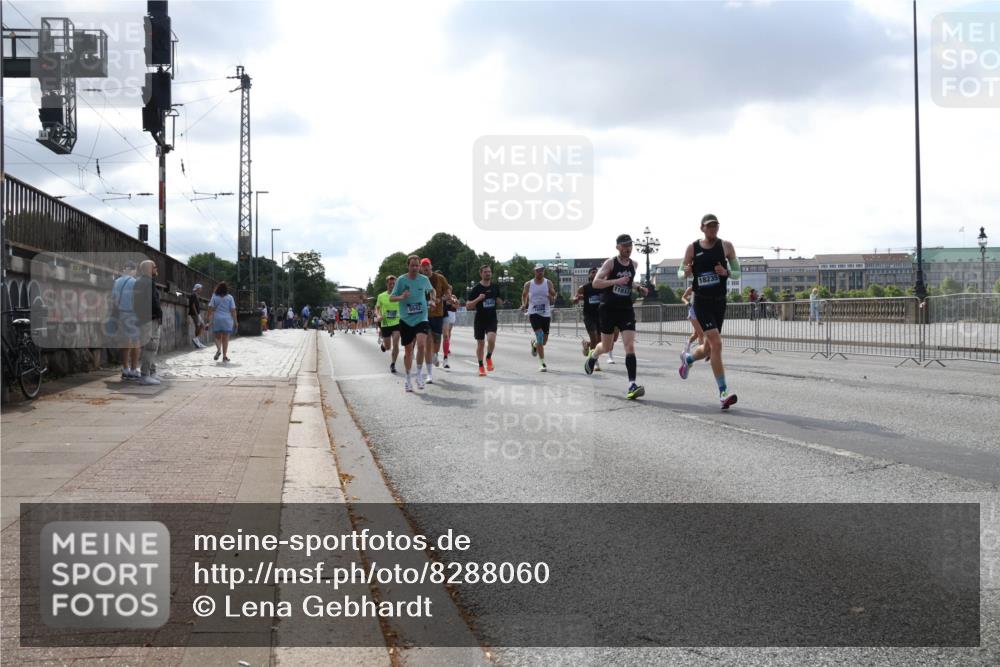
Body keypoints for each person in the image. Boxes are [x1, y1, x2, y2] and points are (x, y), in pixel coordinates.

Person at [677, 213, 741, 410]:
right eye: (709, 226)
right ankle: (723, 393)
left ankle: (687, 359)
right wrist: (685, 272)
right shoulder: (692, 248)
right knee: (716, 343)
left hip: (719, 302)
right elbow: (680, 272)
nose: (713, 229)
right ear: (702, 228)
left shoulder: (726, 246)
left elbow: (738, 272)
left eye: (715, 226)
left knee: (707, 348)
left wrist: (727, 272)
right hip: (702, 303)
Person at [584, 234, 649, 399]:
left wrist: (638, 287)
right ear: (618, 247)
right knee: (607, 347)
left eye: (630, 245)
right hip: (608, 308)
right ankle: (593, 355)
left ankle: (632, 385)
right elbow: (596, 283)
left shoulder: (634, 264)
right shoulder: (610, 263)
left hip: (625, 308)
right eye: (624, 245)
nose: (628, 248)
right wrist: (615, 281)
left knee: (630, 346)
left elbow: (628, 281)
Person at [390, 255, 436, 391]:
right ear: (408, 266)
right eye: (413, 265)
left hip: (421, 317)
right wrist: (401, 297)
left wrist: (432, 299)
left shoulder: (424, 279)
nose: (415, 268)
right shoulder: (401, 280)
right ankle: (408, 377)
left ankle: (420, 375)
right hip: (406, 319)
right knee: (409, 351)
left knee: (421, 345)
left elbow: (431, 290)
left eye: (417, 265)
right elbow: (392, 297)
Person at [466, 264, 503, 376]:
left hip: (491, 318)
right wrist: (478, 298)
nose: (488, 273)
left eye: (489, 271)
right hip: (480, 320)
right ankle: (481, 366)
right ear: (481, 273)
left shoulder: (495, 286)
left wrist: (500, 301)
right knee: (481, 344)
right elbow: (468, 306)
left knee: (491, 340)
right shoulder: (476, 288)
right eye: (485, 272)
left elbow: (500, 300)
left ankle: (488, 357)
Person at [132, 260, 163, 385]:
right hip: (150, 318)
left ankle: (151, 372)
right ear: (149, 269)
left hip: (143, 318)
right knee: (151, 347)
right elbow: (153, 301)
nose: (156, 269)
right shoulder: (148, 283)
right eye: (155, 267)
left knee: (149, 347)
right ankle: (145, 375)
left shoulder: (138, 282)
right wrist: (158, 314)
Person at [521, 263, 556, 372]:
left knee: (544, 341)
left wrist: (551, 294)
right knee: (540, 335)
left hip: (545, 313)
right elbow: (524, 295)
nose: (539, 272)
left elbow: (553, 295)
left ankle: (535, 344)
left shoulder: (548, 282)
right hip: (533, 313)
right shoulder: (529, 284)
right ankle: (542, 363)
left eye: (541, 270)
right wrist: (524, 304)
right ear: (534, 271)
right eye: (537, 270)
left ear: (543, 271)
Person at [112, 260, 140, 380]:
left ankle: (125, 368)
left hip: (120, 314)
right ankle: (133, 370)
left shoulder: (116, 282)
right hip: (132, 314)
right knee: (136, 342)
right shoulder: (135, 282)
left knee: (124, 341)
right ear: (134, 270)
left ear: (124, 269)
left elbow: (113, 299)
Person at [573, 266, 603, 371]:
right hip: (589, 316)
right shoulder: (584, 287)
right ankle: (594, 362)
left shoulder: (601, 286)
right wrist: (575, 299)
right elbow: (575, 296)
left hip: (600, 316)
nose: (595, 274)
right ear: (589, 275)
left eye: (597, 272)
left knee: (599, 341)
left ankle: (587, 344)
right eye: (593, 272)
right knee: (594, 337)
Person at [376, 276, 402, 373]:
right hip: (385, 323)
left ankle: (393, 364)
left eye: (393, 283)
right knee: (388, 347)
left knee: (396, 343)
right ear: (386, 284)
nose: (392, 285)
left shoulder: (399, 295)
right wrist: (378, 315)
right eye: (390, 283)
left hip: (397, 322)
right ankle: (383, 344)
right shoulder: (381, 296)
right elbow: (377, 308)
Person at [207, 282, 238, 362]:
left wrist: (208, 318)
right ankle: (224, 356)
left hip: (217, 319)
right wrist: (236, 321)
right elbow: (233, 310)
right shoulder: (230, 297)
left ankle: (218, 349)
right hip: (227, 320)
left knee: (217, 337)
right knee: (225, 339)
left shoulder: (214, 296)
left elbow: (210, 308)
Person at [681, 285, 708, 360]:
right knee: (701, 333)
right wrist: (686, 302)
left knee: (696, 334)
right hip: (693, 312)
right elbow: (683, 297)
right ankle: (703, 352)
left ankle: (686, 347)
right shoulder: (691, 288)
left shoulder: (705, 288)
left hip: (702, 312)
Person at [442, 292, 458, 369]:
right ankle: (445, 347)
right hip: (445, 313)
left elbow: (456, 305)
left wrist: (453, 302)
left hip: (451, 315)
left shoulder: (453, 297)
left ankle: (447, 348)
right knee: (446, 333)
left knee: (448, 332)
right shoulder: (444, 296)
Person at [189, 283, 206, 348]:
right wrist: (196, 314)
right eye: (200, 288)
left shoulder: (195, 295)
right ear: (197, 288)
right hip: (195, 313)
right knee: (200, 325)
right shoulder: (193, 295)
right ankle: (196, 340)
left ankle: (197, 340)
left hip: (196, 313)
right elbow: (193, 305)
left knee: (200, 326)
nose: (201, 290)